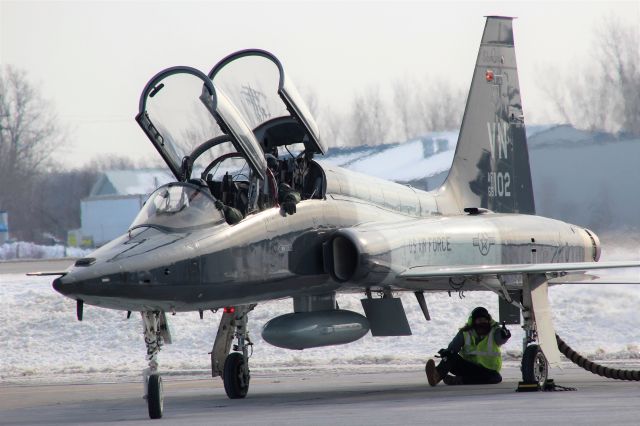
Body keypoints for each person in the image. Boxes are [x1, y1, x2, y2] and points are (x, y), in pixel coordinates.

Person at [426, 306, 511, 386]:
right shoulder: (465, 333)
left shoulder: (494, 331)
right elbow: (452, 349)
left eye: (485, 320)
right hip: (468, 368)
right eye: (479, 320)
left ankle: (458, 380)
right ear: (474, 322)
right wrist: (446, 354)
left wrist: (504, 335)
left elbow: (500, 339)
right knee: (450, 355)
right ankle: (436, 375)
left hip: (488, 371)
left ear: (488, 321)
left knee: (496, 378)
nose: (482, 322)